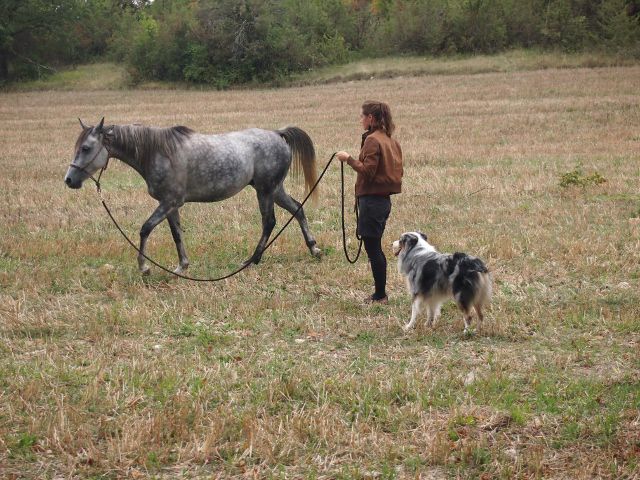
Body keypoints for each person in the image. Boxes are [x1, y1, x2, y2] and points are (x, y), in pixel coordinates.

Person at [336, 100, 403, 304]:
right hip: (382, 201)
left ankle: (380, 295)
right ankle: (380, 293)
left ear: (371, 118)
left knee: (374, 249)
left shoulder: (373, 140)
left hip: (372, 202)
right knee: (375, 247)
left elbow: (368, 171)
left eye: (362, 116)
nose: (360, 120)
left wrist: (348, 159)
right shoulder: (390, 140)